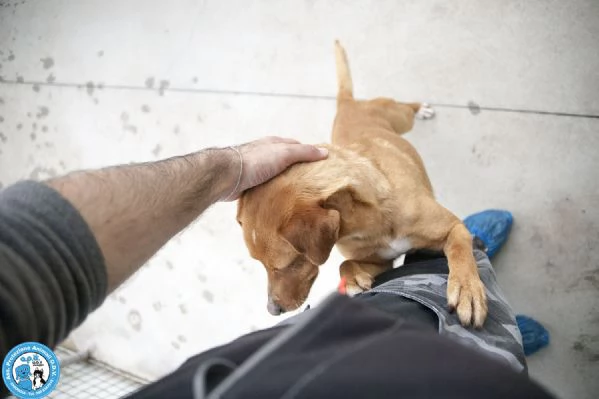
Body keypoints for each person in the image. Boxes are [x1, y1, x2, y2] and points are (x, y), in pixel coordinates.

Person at [0, 137, 554, 399]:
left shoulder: (328, 217)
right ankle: (498, 333)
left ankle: (476, 292)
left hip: (244, 376)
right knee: (466, 333)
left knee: (409, 278)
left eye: (279, 265)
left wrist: (229, 169)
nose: (273, 293)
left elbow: (28, 251)